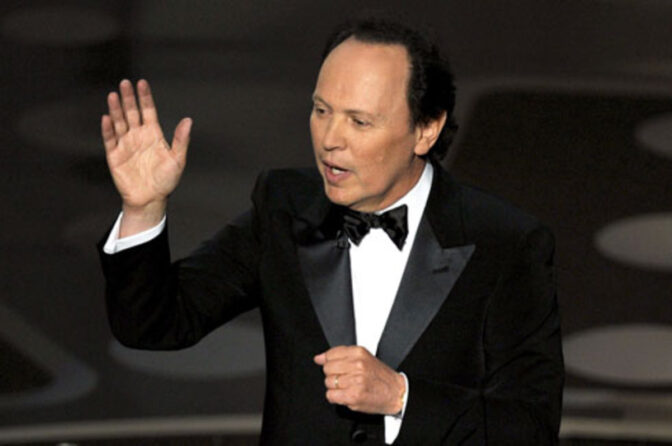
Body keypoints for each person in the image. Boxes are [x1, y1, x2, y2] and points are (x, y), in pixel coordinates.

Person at [98, 18, 564, 445]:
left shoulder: (505, 244)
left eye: (359, 121)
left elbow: (530, 429)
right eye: (321, 111)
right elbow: (154, 325)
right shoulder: (283, 209)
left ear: (426, 130)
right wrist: (143, 208)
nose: (329, 139)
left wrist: (400, 398)